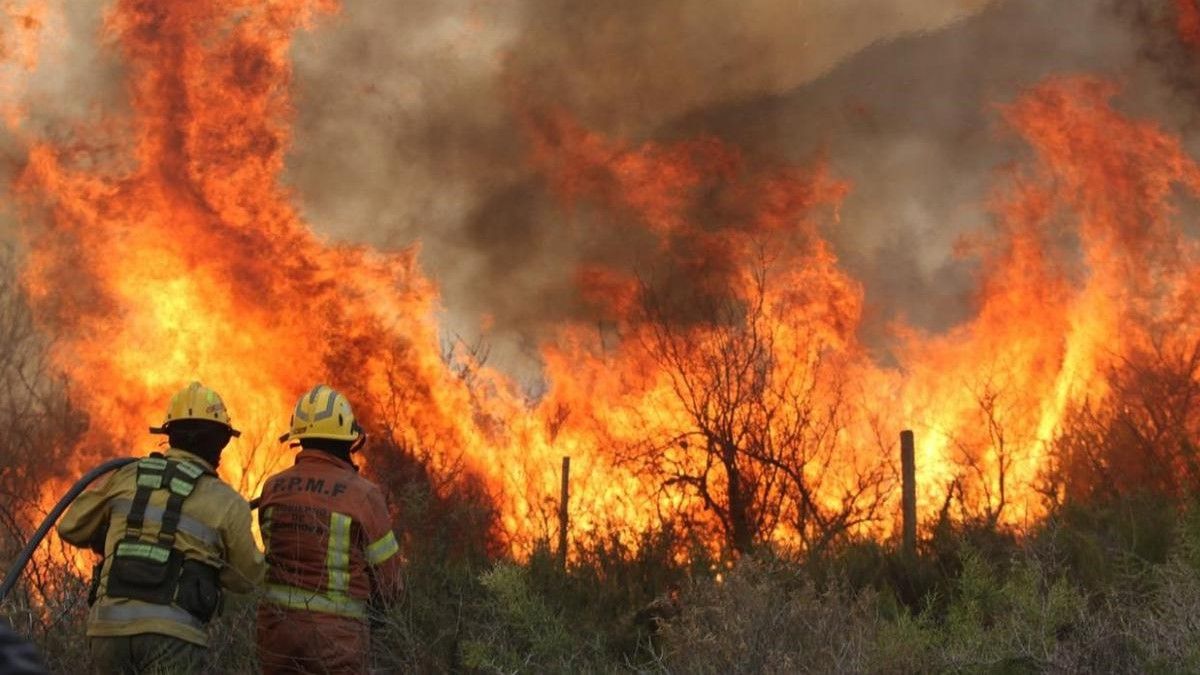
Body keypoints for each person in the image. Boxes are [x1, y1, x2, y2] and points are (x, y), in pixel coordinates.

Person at [58, 382, 266, 674]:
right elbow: (247, 578)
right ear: (220, 442)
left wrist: (108, 537)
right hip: (174, 635)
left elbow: (70, 527)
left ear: (169, 435)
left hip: (108, 629)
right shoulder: (228, 503)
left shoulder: (128, 475)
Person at [256, 384, 403, 675]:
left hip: (276, 637)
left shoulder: (274, 487)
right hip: (337, 644)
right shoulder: (363, 494)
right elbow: (390, 583)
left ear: (300, 439)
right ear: (349, 441)